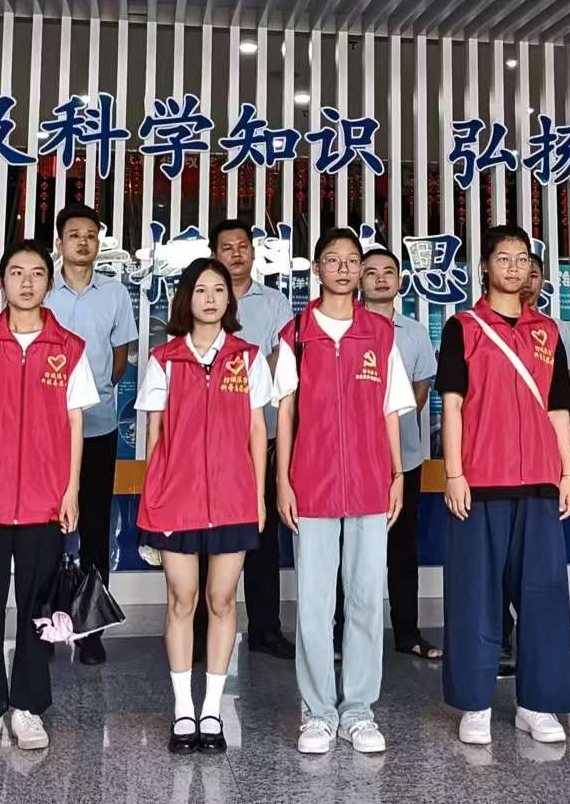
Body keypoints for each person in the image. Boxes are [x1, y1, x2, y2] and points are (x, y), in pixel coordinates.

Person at [0, 240, 98, 752]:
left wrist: (71, 489)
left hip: (43, 501)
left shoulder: (68, 347)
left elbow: (76, 422)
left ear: (49, 282)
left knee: (38, 610)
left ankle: (28, 708)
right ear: (2, 282)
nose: (26, 282)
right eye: (15, 272)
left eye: (36, 273)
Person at [274, 227, 413, 756]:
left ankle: (358, 711)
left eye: (351, 260)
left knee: (365, 599)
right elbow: (285, 412)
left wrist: (397, 475)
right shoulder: (296, 333)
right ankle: (316, 712)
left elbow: (390, 411)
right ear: (316, 269)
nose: (343, 268)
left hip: (371, 484)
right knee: (314, 603)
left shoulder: (380, 333)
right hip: (312, 484)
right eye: (332, 260)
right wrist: (283, 480)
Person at [439, 227, 570, 746]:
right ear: (485, 266)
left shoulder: (547, 331)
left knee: (544, 595)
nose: (514, 267)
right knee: (475, 594)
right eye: (504, 258)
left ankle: (537, 704)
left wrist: (568, 473)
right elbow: (452, 405)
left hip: (539, 480)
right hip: (480, 481)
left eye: (522, 259)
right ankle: (475, 703)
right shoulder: (464, 328)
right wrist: (454, 473)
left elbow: (558, 408)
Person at [135, 259, 273, 754]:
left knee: (221, 600)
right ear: (186, 299)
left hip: (233, 498)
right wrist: (153, 495)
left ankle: (211, 708)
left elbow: (257, 430)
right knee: (182, 599)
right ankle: (182, 709)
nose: (210, 298)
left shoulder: (248, 358)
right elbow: (154, 434)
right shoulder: (164, 359)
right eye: (200, 290)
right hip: (176, 499)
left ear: (229, 301)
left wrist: (257, 495)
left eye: (218, 290)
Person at [43, 202, 139, 666]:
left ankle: (90, 628)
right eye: (74, 235)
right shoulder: (42, 289)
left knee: (96, 527)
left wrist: (96, 391)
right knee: (45, 530)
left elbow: (121, 355)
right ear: (60, 242)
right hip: (46, 431)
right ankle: (45, 623)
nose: (83, 242)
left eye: (90, 235)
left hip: (98, 425)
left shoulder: (114, 293)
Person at [210, 217, 296, 660]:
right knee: (209, 530)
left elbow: (281, 361)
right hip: (212, 439)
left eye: (243, 246)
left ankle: (266, 628)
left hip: (262, 433)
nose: (236, 254)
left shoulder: (275, 302)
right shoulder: (205, 297)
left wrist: (252, 395)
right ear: (214, 254)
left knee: (263, 534)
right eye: (227, 247)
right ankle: (204, 627)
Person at [359, 245, 442, 662]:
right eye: (371, 271)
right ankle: (347, 634)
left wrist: (390, 424)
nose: (380, 278)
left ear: (400, 281)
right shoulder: (346, 327)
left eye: (388, 272)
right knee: (353, 549)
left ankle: (407, 632)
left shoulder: (414, 332)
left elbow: (422, 387)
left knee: (402, 548)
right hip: (354, 459)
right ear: (359, 279)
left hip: (403, 458)